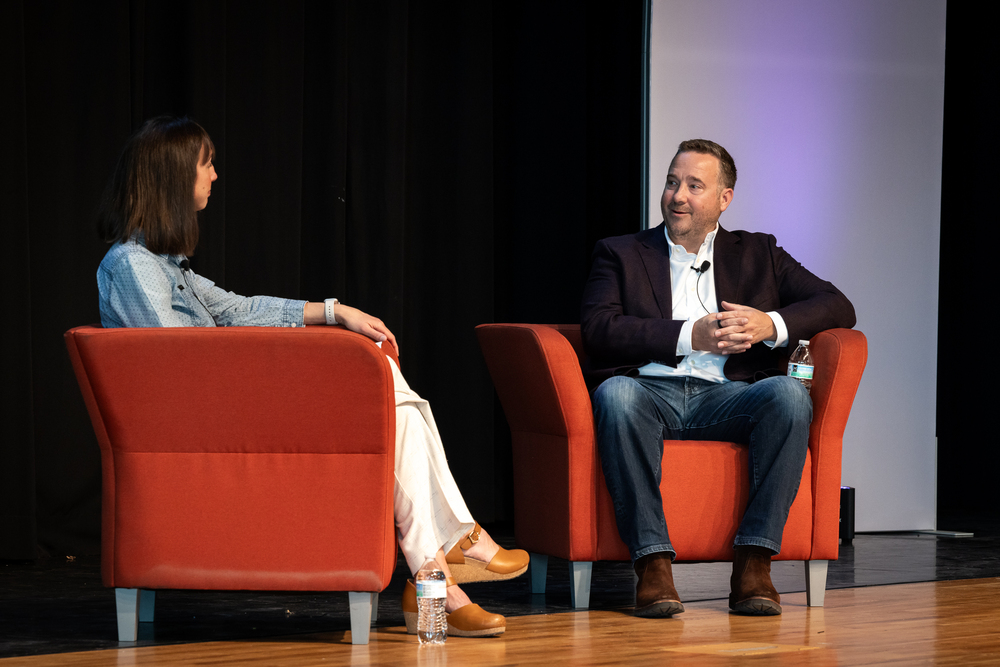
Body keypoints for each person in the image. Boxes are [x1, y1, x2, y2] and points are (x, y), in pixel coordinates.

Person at [96, 115, 527, 638]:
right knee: (383, 386)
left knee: (394, 405)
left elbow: (238, 308)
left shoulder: (167, 264)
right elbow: (180, 365)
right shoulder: (132, 265)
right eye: (206, 164)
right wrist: (284, 367)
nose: (214, 176)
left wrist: (334, 312)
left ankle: (433, 580)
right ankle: (454, 548)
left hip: (227, 414)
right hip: (208, 431)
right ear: (172, 177)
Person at [581, 139, 855, 617]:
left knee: (788, 396)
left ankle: (754, 562)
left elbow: (838, 305)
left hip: (728, 398)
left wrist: (771, 324)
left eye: (694, 186)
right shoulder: (620, 252)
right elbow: (599, 329)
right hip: (649, 393)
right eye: (672, 183)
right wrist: (689, 335)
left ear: (724, 198)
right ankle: (653, 564)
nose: (677, 196)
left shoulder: (759, 252)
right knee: (616, 395)